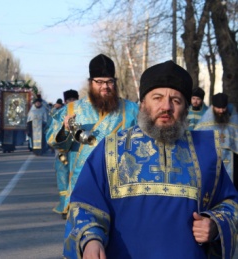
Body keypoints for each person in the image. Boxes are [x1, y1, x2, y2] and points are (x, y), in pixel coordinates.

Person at [63, 60, 238, 259]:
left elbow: (230, 204)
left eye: (176, 100)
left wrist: (215, 224)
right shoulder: (110, 148)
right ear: (143, 103)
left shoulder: (205, 151)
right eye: (157, 98)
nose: (166, 107)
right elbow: (85, 204)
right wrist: (90, 240)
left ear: (186, 109)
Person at [46, 54, 138, 216]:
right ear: (90, 83)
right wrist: (66, 129)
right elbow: (55, 143)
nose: (105, 87)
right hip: (82, 187)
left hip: (121, 188)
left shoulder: (131, 110)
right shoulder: (72, 110)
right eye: (100, 82)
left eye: (110, 81)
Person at [195, 93, 238, 188]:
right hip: (212, 156)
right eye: (218, 108)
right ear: (213, 106)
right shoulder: (205, 120)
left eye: (223, 108)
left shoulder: (233, 118)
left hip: (232, 159)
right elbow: (198, 137)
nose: (221, 111)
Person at [52, 89, 79, 219]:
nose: (71, 102)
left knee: (76, 178)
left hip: (78, 152)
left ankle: (75, 206)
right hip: (63, 153)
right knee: (63, 178)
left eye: (74, 99)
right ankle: (64, 206)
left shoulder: (84, 113)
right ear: (65, 101)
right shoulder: (61, 114)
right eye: (69, 100)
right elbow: (52, 133)